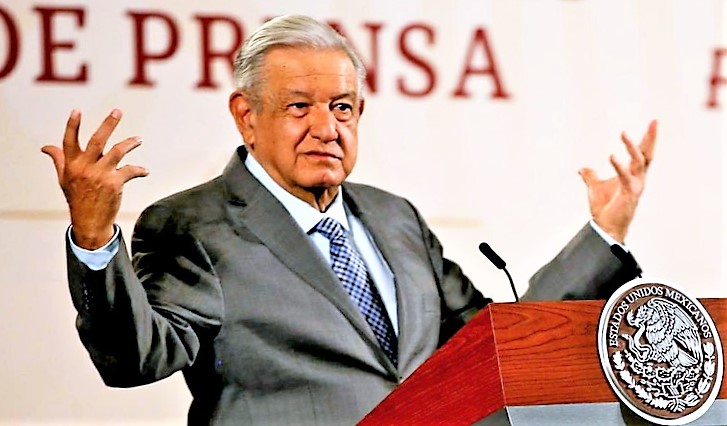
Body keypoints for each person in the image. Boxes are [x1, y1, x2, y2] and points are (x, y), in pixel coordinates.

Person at [41, 14, 657, 426]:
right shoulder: (192, 224)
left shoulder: (395, 218)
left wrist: (603, 235)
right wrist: (94, 240)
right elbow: (135, 359)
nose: (326, 128)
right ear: (246, 116)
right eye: (298, 107)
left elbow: (492, 344)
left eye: (341, 107)